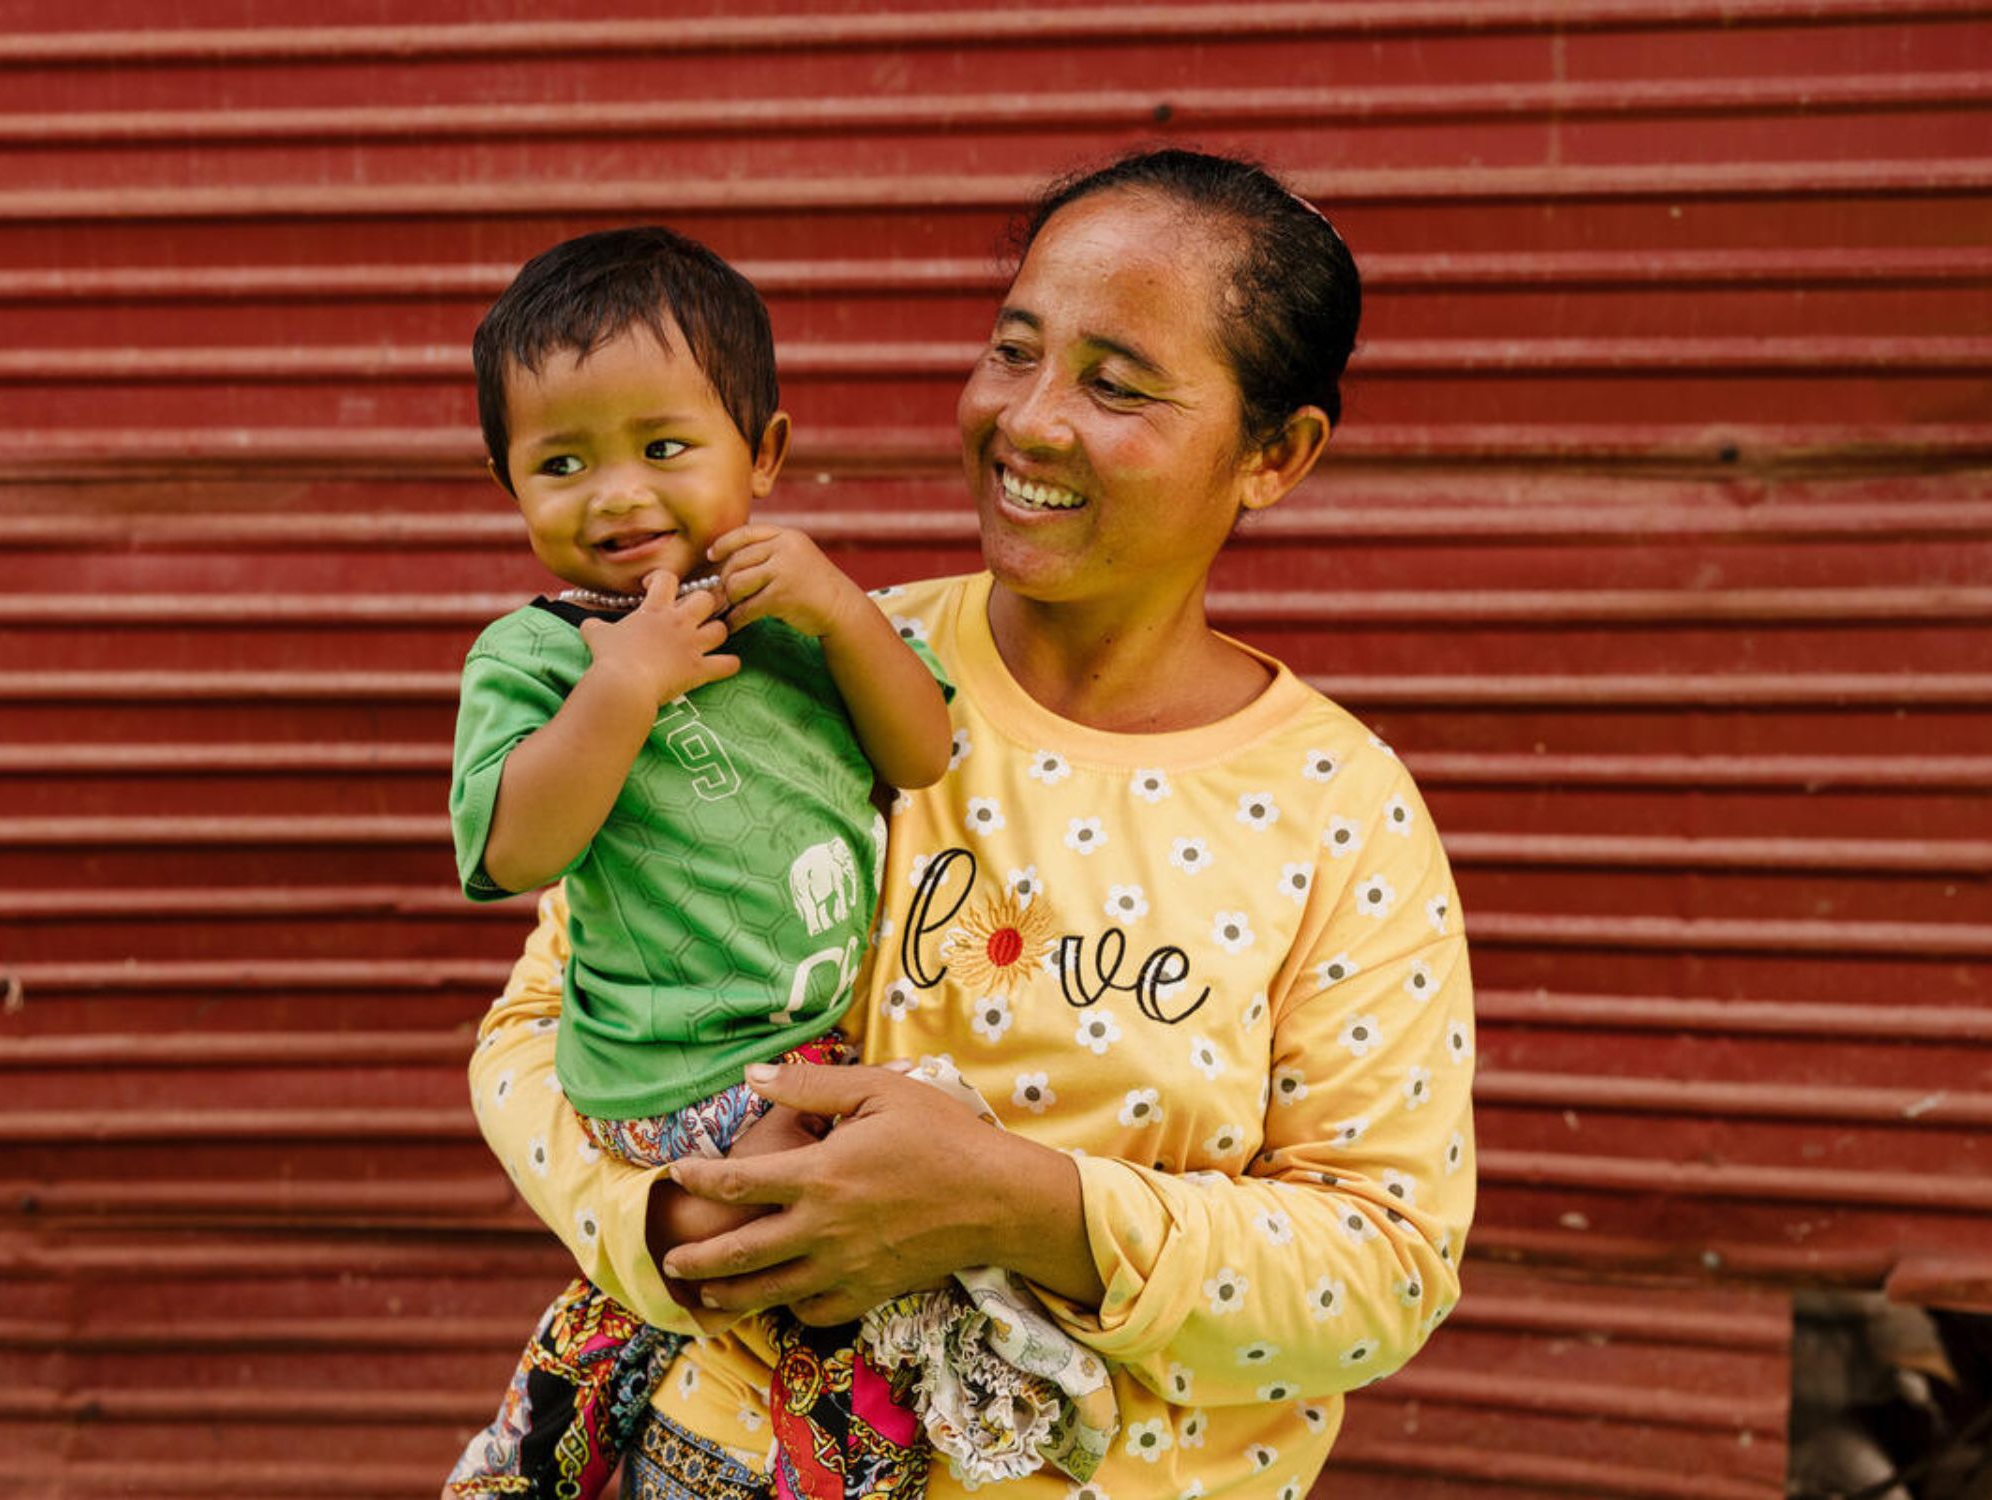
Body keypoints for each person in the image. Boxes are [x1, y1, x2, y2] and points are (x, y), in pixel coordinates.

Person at [463, 150, 1478, 1499]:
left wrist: (1020, 1205)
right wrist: (676, 1220)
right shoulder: (797, 660)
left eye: (1115, 384)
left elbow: (1382, 1270)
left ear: (1273, 454)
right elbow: (536, 1032)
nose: (1029, 421)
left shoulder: (1336, 813)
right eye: (1013, 350)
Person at [444, 227, 1112, 1500]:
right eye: (561, 463)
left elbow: (919, 752)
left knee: (844, 1222)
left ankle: (555, 1436)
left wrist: (843, 612)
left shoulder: (792, 624)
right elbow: (514, 848)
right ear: (507, 481)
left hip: (801, 1050)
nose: (616, 495)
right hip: (669, 1063)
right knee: (846, 1250)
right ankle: (871, 1443)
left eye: (663, 448)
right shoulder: (539, 654)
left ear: (763, 454)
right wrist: (623, 689)